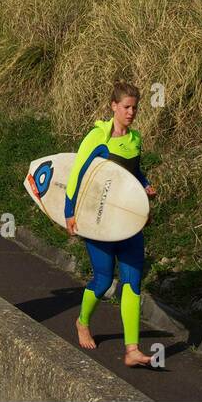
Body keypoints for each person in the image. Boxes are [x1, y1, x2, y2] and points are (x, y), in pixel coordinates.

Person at [66, 82, 156, 367]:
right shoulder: (98, 138)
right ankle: (82, 322)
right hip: (99, 221)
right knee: (104, 280)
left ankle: (132, 350)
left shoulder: (135, 139)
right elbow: (77, 175)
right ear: (113, 107)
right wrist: (70, 212)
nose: (131, 112)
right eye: (126, 107)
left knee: (132, 282)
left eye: (135, 107)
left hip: (128, 222)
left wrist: (146, 187)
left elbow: (135, 174)